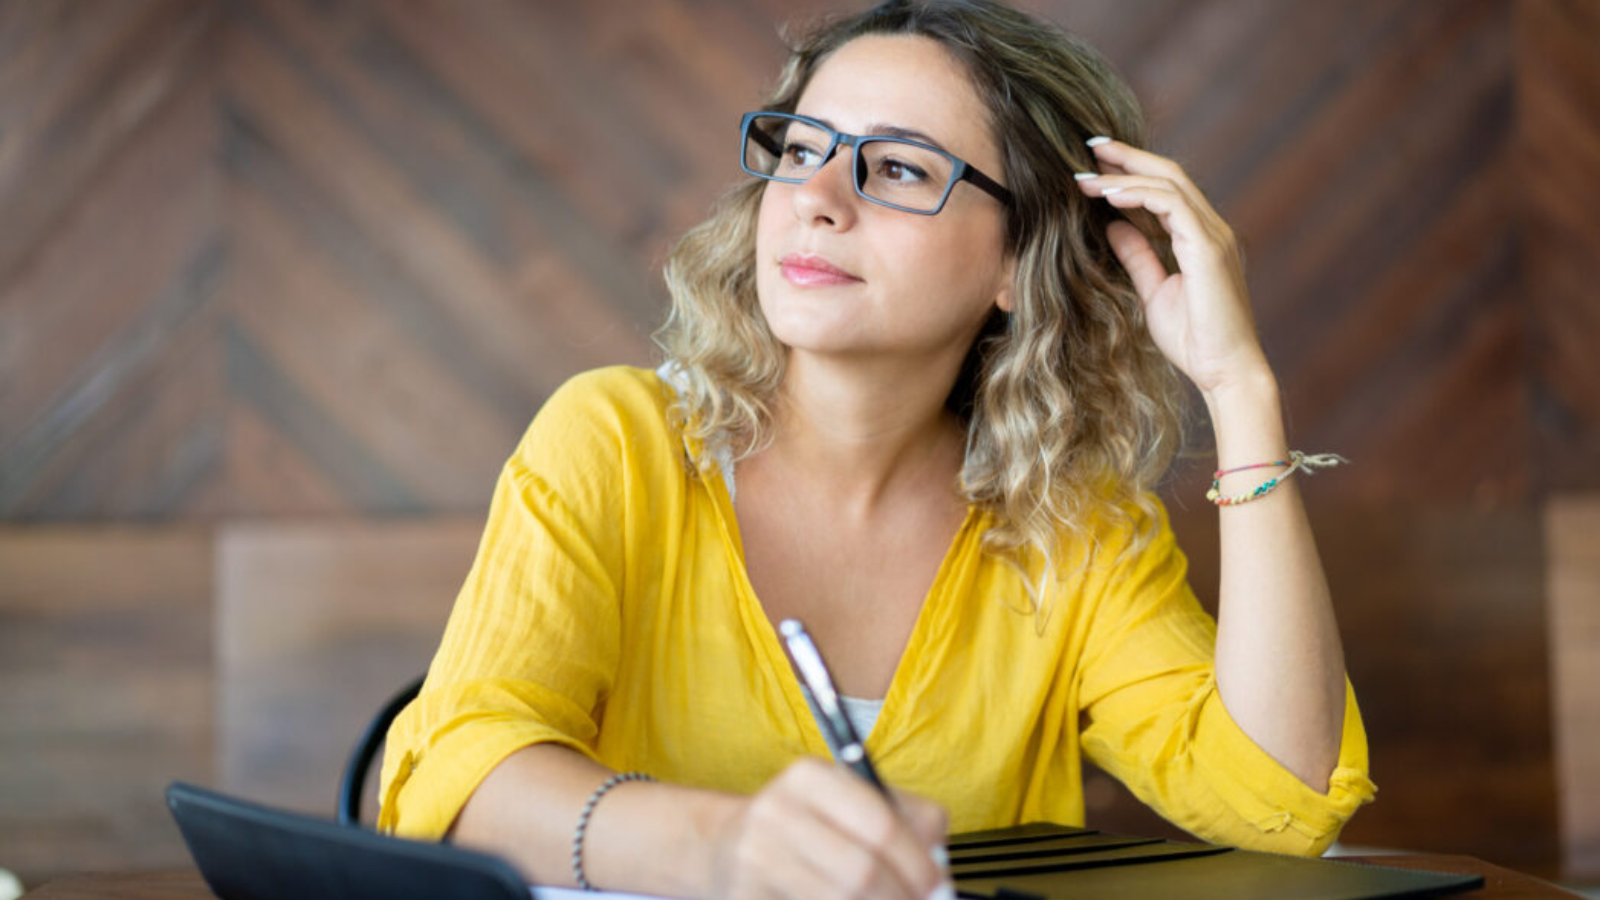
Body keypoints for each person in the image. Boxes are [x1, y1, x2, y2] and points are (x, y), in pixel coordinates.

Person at [377, 1, 1376, 898]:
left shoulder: (1075, 532)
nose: (816, 197)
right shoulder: (615, 440)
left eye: (896, 168)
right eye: (801, 148)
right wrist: (725, 852)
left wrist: (1239, 391)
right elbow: (455, 781)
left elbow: (1281, 804)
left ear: (1018, 263)